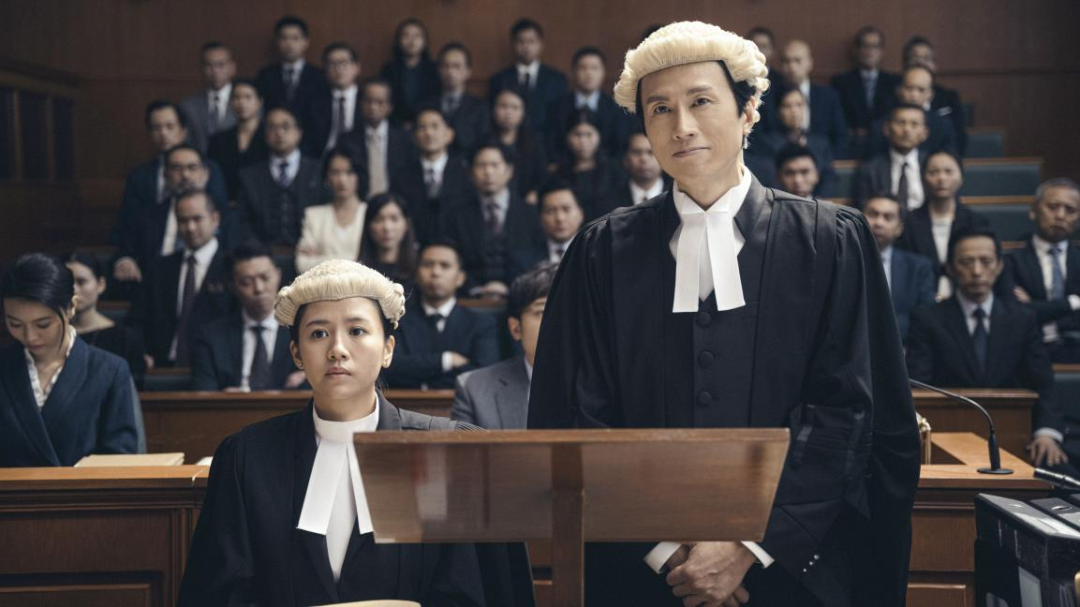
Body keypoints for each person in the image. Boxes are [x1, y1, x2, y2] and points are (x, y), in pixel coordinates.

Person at [529, 22, 919, 607]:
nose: (681, 126)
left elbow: (848, 411)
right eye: (660, 109)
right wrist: (668, 549)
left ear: (749, 111)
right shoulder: (600, 252)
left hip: (792, 570)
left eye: (701, 101)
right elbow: (578, 418)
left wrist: (747, 546)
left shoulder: (829, 240)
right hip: (644, 574)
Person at [178, 258, 530, 606]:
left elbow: (474, 593)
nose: (337, 350)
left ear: (388, 349)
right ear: (296, 354)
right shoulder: (246, 457)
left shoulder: (449, 451)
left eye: (357, 331)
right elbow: (219, 595)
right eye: (318, 334)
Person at [906, 227, 1068, 469]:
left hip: (1017, 437)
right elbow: (918, 388)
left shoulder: (1022, 319)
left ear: (999, 266)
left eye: (986, 261)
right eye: (966, 262)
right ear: (950, 268)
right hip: (947, 436)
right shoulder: (928, 319)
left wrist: (1047, 433)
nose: (977, 271)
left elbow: (1044, 384)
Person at [0, 253, 139, 466]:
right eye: (15, 324)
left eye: (43, 324)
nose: (30, 336)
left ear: (71, 307)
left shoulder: (108, 370)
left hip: (84, 488)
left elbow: (118, 460)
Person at [110, 102, 228, 287]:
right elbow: (127, 233)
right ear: (166, 175)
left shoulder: (211, 176)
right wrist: (125, 259)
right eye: (156, 128)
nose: (185, 175)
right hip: (155, 269)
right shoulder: (146, 202)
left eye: (169, 126)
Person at [128, 189, 233, 367]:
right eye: (183, 220)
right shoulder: (159, 268)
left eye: (197, 219)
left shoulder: (231, 267)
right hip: (161, 366)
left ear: (215, 219)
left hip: (216, 367)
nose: (190, 228)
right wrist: (142, 353)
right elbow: (136, 320)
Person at [381, 240, 499, 390]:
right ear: (416, 274)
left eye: (445, 265)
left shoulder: (481, 323)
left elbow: (484, 373)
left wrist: (424, 383)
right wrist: (446, 360)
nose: (435, 272)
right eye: (427, 265)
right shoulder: (397, 319)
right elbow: (390, 366)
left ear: (460, 278)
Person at [191, 241, 306, 391]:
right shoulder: (211, 337)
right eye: (246, 282)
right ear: (233, 286)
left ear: (278, 276)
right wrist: (226, 398)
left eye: (265, 277)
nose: (259, 288)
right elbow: (203, 394)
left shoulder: (302, 332)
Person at [453, 262, 557, 429]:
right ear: (516, 328)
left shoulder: (601, 384)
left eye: (569, 311)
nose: (559, 322)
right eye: (543, 312)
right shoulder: (474, 388)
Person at [441, 144, 544, 298]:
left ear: (509, 171)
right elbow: (451, 257)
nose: (488, 172)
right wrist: (476, 290)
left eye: (495, 165)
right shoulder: (455, 216)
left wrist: (513, 288)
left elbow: (539, 258)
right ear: (470, 173)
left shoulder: (531, 214)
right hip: (470, 298)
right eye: (481, 166)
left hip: (522, 296)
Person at [1003, 179, 1080, 362]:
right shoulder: (1011, 261)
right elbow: (1016, 314)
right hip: (1026, 351)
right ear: (1033, 211)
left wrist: (1036, 306)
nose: (1060, 216)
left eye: (1070, 210)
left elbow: (1030, 311)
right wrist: (1073, 302)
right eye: (1052, 207)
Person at [897, 149, 989, 298]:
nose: (941, 178)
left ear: (961, 177)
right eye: (933, 172)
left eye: (948, 171)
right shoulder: (911, 222)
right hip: (921, 297)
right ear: (923, 177)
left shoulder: (976, 221)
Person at [237, 107, 325, 247]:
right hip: (262, 254)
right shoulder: (249, 176)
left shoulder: (319, 171)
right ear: (265, 134)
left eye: (286, 126)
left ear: (299, 132)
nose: (279, 132)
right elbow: (243, 223)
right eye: (272, 127)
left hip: (311, 251)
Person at [390, 108, 475, 244]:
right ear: (414, 137)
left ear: (449, 134)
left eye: (435, 126)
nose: (429, 133)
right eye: (422, 128)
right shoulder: (401, 177)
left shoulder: (467, 175)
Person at [64, 253, 148, 389]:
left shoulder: (125, 338)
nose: (74, 290)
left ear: (100, 285)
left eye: (81, 282)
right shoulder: (54, 334)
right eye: (68, 283)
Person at [862, 195, 936, 341]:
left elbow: (925, 318)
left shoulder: (918, 268)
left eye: (888, 217)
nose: (878, 223)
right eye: (873, 214)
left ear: (899, 229)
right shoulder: (841, 262)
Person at [546, 46, 630, 161]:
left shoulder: (617, 108)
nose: (589, 73)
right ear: (573, 72)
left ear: (603, 72)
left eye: (594, 68)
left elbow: (619, 149)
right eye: (583, 68)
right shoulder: (556, 107)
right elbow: (551, 146)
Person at [488, 18, 568, 133]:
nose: (526, 47)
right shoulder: (498, 79)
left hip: (546, 139)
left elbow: (561, 117)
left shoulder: (557, 79)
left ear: (541, 44)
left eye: (531, 41)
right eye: (521, 42)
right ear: (513, 44)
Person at [295, 147, 368, 274]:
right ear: (327, 177)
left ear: (359, 175)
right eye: (335, 172)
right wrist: (354, 259)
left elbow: (373, 262)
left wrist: (321, 259)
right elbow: (302, 264)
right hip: (322, 286)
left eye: (349, 172)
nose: (342, 179)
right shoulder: (314, 216)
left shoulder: (370, 214)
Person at [752, 88, 836, 196]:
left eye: (799, 105)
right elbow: (769, 178)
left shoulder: (821, 144)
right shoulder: (766, 144)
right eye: (787, 106)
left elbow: (828, 178)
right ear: (778, 111)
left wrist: (819, 201)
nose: (794, 111)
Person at [773, 40, 848, 158]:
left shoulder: (828, 96)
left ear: (810, 63)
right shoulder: (769, 96)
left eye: (797, 60)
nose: (792, 67)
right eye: (786, 61)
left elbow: (840, 137)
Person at [344, 78, 415, 197]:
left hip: (397, 202)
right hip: (359, 202)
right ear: (361, 104)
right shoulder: (347, 141)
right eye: (368, 101)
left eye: (380, 102)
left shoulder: (405, 140)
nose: (373, 107)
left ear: (390, 107)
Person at [866, 65, 957, 158]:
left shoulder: (943, 126)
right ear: (899, 90)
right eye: (909, 88)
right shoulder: (880, 126)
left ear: (930, 94)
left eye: (921, 90)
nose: (914, 95)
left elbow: (950, 159)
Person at [852, 103, 928, 209]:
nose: (907, 130)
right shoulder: (870, 169)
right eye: (901, 123)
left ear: (924, 133)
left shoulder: (932, 165)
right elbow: (862, 208)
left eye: (914, 124)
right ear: (887, 129)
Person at [419, 43, 490, 156]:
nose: (450, 72)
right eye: (445, 66)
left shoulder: (480, 107)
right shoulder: (426, 105)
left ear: (468, 71)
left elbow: (483, 144)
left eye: (456, 66)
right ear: (439, 70)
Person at [553, 109, 625, 220]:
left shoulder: (614, 171)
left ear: (599, 136)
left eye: (589, 134)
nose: (583, 141)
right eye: (577, 134)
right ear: (567, 137)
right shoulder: (559, 173)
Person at [902, 36, 968, 156]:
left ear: (934, 65)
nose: (920, 62)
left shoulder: (949, 97)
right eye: (915, 57)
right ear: (905, 63)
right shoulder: (890, 98)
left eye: (926, 58)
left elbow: (959, 140)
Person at [830, 26, 900, 134]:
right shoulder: (841, 82)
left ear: (882, 51)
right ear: (856, 50)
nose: (870, 51)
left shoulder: (894, 82)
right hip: (853, 138)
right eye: (865, 46)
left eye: (875, 46)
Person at [208, 79, 269, 201]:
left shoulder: (269, 136)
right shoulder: (218, 140)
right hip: (228, 202)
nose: (241, 103)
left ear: (259, 102)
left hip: (263, 201)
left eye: (248, 97)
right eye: (236, 98)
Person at [255, 15, 328, 114]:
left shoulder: (319, 76)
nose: (289, 44)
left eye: (295, 38)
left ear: (306, 42)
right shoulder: (265, 75)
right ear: (277, 42)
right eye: (284, 38)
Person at [511, 180, 585, 275]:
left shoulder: (595, 256)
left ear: (581, 213)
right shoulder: (523, 262)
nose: (560, 218)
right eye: (550, 211)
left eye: (566, 209)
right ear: (540, 217)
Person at [303, 43, 364, 157]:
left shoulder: (367, 98)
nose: (338, 69)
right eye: (332, 64)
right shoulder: (314, 101)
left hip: (360, 158)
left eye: (344, 63)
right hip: (322, 159)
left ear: (357, 68)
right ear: (325, 70)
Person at [491, 88, 549, 205]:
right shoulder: (484, 142)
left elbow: (542, 176)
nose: (508, 112)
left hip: (527, 201)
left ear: (523, 112)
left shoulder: (535, 142)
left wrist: (535, 192)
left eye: (515, 107)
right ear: (493, 109)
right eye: (503, 106)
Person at [380, 18, 440, 127]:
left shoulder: (434, 69)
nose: (412, 41)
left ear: (425, 41)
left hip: (426, 125)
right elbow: (386, 100)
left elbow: (436, 99)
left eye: (417, 36)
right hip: (395, 125)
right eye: (406, 36)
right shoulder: (389, 70)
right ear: (398, 41)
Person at [180, 41, 238, 153]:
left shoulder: (247, 101)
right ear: (202, 69)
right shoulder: (188, 105)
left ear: (232, 68)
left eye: (221, 65)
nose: (215, 71)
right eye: (209, 65)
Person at [358, 192, 419, 292]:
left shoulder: (420, 271)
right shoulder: (357, 273)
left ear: (406, 224)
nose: (387, 227)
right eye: (378, 220)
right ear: (368, 225)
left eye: (394, 219)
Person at [602, 132, 669, 211]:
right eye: (636, 152)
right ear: (625, 160)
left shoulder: (677, 198)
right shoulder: (607, 201)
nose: (643, 158)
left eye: (651, 152)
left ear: (664, 158)